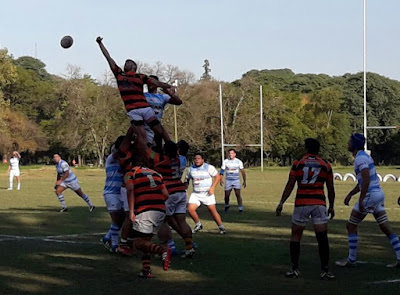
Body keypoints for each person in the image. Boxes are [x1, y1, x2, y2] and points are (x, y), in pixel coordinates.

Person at [336, 133, 400, 268]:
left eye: (350, 141)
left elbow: (366, 178)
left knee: (351, 225)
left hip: (370, 195)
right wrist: (350, 194)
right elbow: (363, 180)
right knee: (385, 227)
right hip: (378, 194)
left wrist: (361, 198)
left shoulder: (360, 159)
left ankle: (351, 259)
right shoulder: (365, 157)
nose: (348, 143)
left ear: (355, 144)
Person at [276, 138, 335, 280]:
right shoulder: (325, 165)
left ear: (307, 148)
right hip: (319, 204)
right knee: (322, 238)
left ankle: (295, 269)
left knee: (296, 236)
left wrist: (281, 202)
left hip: (302, 203)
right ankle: (325, 270)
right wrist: (331, 206)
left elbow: (290, 184)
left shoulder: (298, 163)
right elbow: (330, 188)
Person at [96, 37, 174, 143]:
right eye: (125, 63)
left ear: (134, 67)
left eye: (129, 63)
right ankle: (148, 155)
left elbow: (156, 83)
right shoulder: (119, 74)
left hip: (145, 108)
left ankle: (168, 148)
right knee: (141, 136)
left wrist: (169, 86)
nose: (126, 63)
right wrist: (100, 44)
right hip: (132, 110)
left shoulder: (140, 77)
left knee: (159, 130)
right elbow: (108, 58)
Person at [124, 162, 172, 278]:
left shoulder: (131, 172)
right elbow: (166, 195)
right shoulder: (156, 174)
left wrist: (131, 211)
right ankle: (146, 270)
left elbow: (130, 190)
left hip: (145, 210)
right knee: (146, 242)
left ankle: (162, 251)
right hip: (160, 209)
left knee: (137, 243)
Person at [100, 136, 129, 253]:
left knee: (121, 220)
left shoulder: (125, 161)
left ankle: (107, 238)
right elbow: (119, 152)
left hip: (122, 193)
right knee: (117, 219)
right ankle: (115, 246)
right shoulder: (111, 159)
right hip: (111, 192)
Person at [186, 153, 226, 235]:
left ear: (202, 160)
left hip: (207, 193)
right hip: (196, 193)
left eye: (199, 158)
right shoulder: (191, 169)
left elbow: (217, 176)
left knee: (212, 211)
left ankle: (221, 227)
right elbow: (187, 179)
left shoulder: (208, 167)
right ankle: (198, 224)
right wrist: (185, 189)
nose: (197, 160)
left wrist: (212, 188)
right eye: (195, 158)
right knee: (190, 209)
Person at [144, 75, 182, 149]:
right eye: (149, 82)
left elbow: (179, 102)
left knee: (158, 150)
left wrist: (169, 93)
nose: (150, 84)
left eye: (153, 83)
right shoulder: (143, 96)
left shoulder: (162, 97)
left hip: (157, 128)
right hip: (144, 127)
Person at [220, 149, 246, 213]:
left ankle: (240, 208)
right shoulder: (225, 161)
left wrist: (244, 180)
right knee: (226, 195)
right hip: (228, 180)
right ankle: (226, 206)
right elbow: (222, 171)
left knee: (238, 195)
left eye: (232, 153)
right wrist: (221, 179)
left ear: (235, 154)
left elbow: (242, 171)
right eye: (229, 153)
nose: (230, 155)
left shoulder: (238, 161)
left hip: (236, 180)